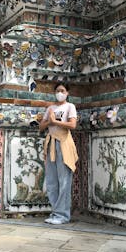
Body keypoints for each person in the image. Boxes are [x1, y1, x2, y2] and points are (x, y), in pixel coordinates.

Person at [39, 81, 78, 224]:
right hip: (50, 144)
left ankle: (63, 215)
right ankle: (55, 213)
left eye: (62, 90)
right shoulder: (50, 108)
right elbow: (41, 127)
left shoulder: (70, 106)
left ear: (67, 93)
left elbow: (72, 125)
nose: (59, 93)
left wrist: (55, 122)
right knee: (51, 181)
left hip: (63, 143)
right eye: (57, 91)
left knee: (64, 180)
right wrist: (50, 121)